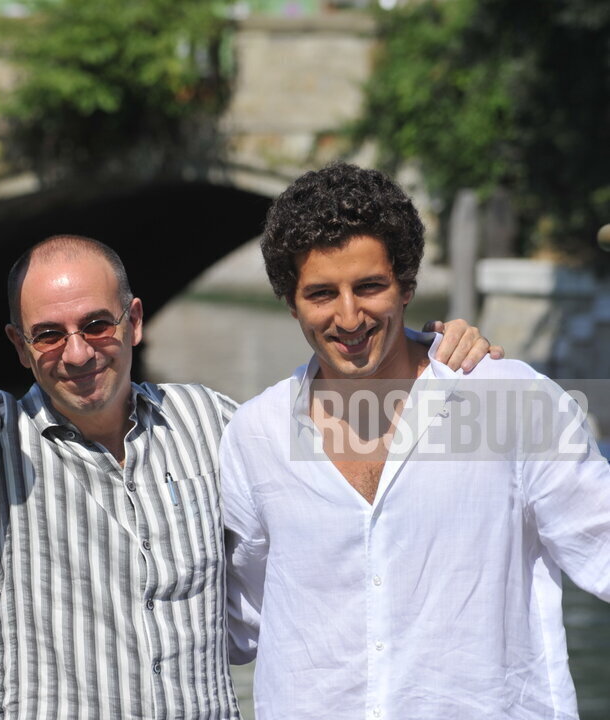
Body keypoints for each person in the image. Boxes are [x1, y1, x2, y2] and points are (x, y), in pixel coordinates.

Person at [0, 56, 499, 719]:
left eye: (97, 324)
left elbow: (354, 440)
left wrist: (437, 356)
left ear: (133, 322)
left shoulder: (214, 422)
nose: (76, 352)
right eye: (48, 334)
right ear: (19, 347)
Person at [222, 162, 610, 719]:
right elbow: (239, 620)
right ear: (291, 302)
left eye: (370, 287)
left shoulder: (509, 401)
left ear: (407, 285)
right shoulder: (254, 435)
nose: (349, 316)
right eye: (322, 294)